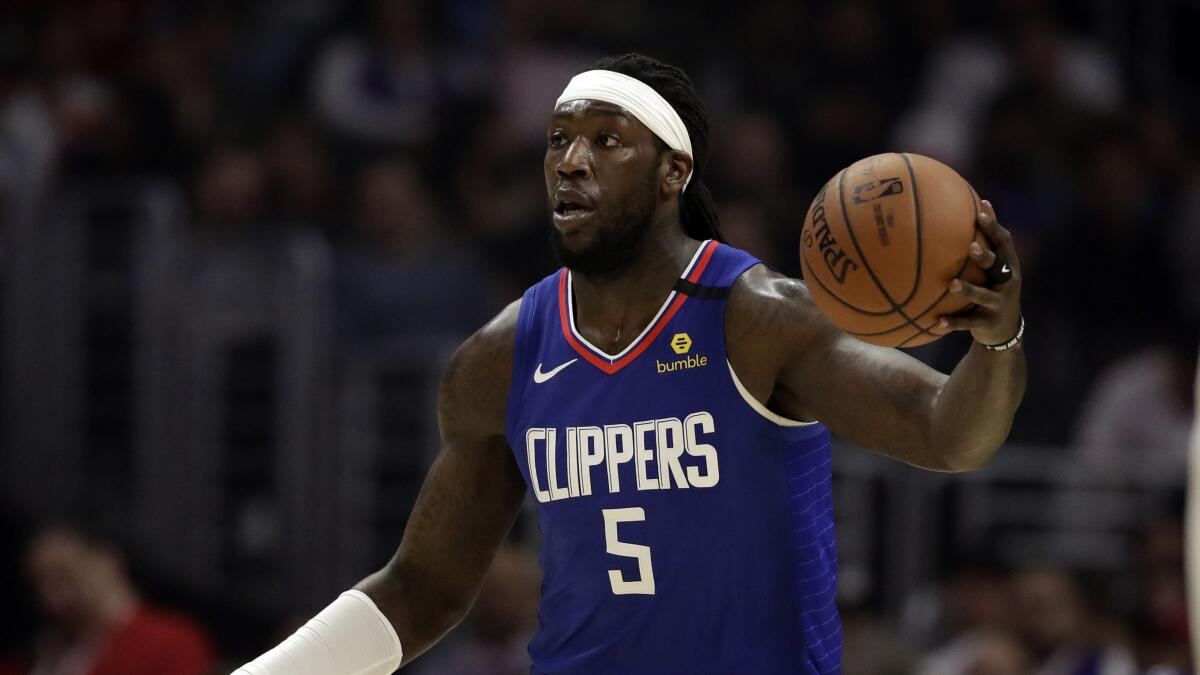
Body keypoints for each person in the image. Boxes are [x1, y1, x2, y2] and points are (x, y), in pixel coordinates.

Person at [236, 52, 1026, 674]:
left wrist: (996, 340)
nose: (572, 161)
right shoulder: (501, 357)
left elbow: (948, 433)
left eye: (607, 141)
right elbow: (420, 590)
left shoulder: (757, 317)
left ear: (672, 173)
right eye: (558, 141)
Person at [24, 523, 215, 675]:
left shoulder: (171, 643)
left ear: (107, 560)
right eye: (40, 584)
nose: (51, 599)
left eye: (65, 578)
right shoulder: (46, 650)